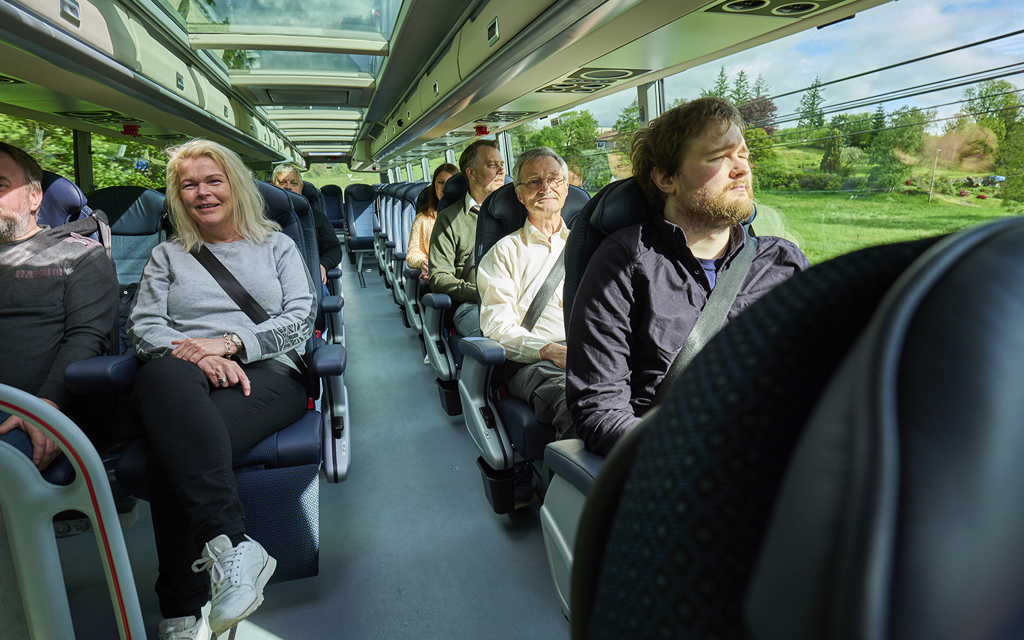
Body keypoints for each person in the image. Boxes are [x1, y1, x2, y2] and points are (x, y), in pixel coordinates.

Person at [129, 139, 316, 640]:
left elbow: (301, 320)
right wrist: (204, 354)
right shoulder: (167, 254)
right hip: (187, 375)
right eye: (188, 185)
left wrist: (233, 343)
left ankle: (181, 611)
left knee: (168, 458)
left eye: (213, 181)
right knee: (163, 373)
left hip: (270, 374)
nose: (202, 193)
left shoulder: (278, 245)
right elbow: (145, 328)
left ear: (233, 184)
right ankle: (233, 547)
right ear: (177, 196)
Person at [566, 97, 810, 457]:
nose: (742, 168)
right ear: (666, 178)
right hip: (682, 461)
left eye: (742, 155)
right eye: (718, 157)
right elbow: (600, 409)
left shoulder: (782, 262)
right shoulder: (625, 262)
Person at [0, 142, 117, 471]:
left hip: (31, 410)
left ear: (34, 197)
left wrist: (46, 408)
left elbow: (87, 337)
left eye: (1, 185)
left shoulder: (77, 255)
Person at [477, 147, 575, 443]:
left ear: (566, 188)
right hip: (534, 361)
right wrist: (550, 350)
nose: (545, 187)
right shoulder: (504, 252)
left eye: (554, 179)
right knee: (581, 402)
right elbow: (498, 329)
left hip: (588, 350)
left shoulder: (588, 246)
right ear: (519, 195)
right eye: (533, 181)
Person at [429, 140, 506, 337]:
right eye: (491, 165)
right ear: (471, 173)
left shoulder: (518, 213)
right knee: (500, 337)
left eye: (502, 165)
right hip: (473, 305)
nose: (500, 171)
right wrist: (481, 293)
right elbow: (439, 276)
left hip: (518, 302)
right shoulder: (449, 219)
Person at [272, 163, 342, 287]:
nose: (288, 187)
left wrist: (323, 265)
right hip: (273, 278)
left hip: (310, 277)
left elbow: (334, 248)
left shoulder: (316, 216)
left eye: (294, 183)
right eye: (282, 182)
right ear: (273, 186)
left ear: (301, 188)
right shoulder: (262, 217)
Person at [406, 163, 457, 281]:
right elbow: (414, 252)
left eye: (450, 183)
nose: (445, 188)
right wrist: (424, 264)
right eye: (441, 182)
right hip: (436, 274)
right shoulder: (422, 218)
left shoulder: (469, 215)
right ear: (434, 186)